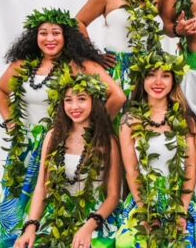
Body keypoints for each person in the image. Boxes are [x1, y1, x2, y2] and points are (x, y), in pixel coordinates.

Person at [0, 8, 125, 247]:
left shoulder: (80, 66)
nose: (49, 39)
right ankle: (26, 229)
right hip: (27, 146)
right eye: (43, 33)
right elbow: (0, 90)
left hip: (62, 143)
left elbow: (117, 96)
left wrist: (92, 131)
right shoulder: (23, 65)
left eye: (56, 33)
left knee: (57, 194)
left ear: (67, 36)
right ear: (34, 37)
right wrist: (10, 121)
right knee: (19, 204)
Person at [14, 72, 121, 248]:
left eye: (81, 99)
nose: (74, 106)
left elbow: (114, 195)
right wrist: (31, 227)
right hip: (58, 215)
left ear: (94, 101)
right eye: (68, 100)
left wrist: (87, 228)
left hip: (97, 217)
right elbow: (42, 187)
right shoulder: (53, 136)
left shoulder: (107, 141)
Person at [115, 51, 196, 247]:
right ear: (142, 80)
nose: (158, 81)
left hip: (179, 199)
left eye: (165, 75)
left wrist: (181, 211)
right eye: (151, 74)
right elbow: (132, 170)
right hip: (142, 199)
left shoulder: (186, 120)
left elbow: (191, 167)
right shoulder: (129, 121)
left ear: (173, 80)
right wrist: (144, 211)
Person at [76, 0, 163, 99]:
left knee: (140, 118)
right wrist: (93, 55)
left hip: (145, 69)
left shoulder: (155, 0)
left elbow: (172, 27)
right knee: (114, 117)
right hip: (115, 67)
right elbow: (78, 22)